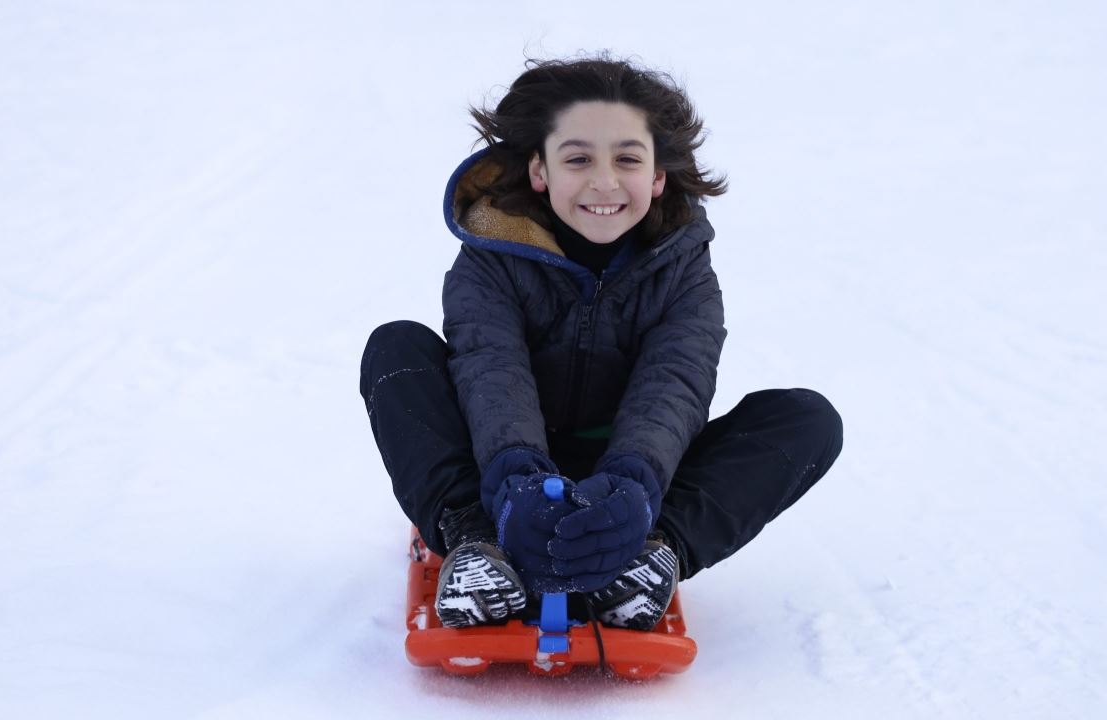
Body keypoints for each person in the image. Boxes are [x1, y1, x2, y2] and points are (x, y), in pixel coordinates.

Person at [360, 55, 843, 631]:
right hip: (498, 471)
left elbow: (675, 383)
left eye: (628, 159)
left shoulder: (684, 269)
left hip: (630, 477)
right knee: (396, 350)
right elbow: (492, 370)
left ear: (657, 176)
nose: (605, 181)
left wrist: (634, 488)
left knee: (805, 418)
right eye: (579, 158)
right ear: (542, 170)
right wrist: (516, 483)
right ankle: (479, 544)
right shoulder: (491, 254)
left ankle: (650, 555)